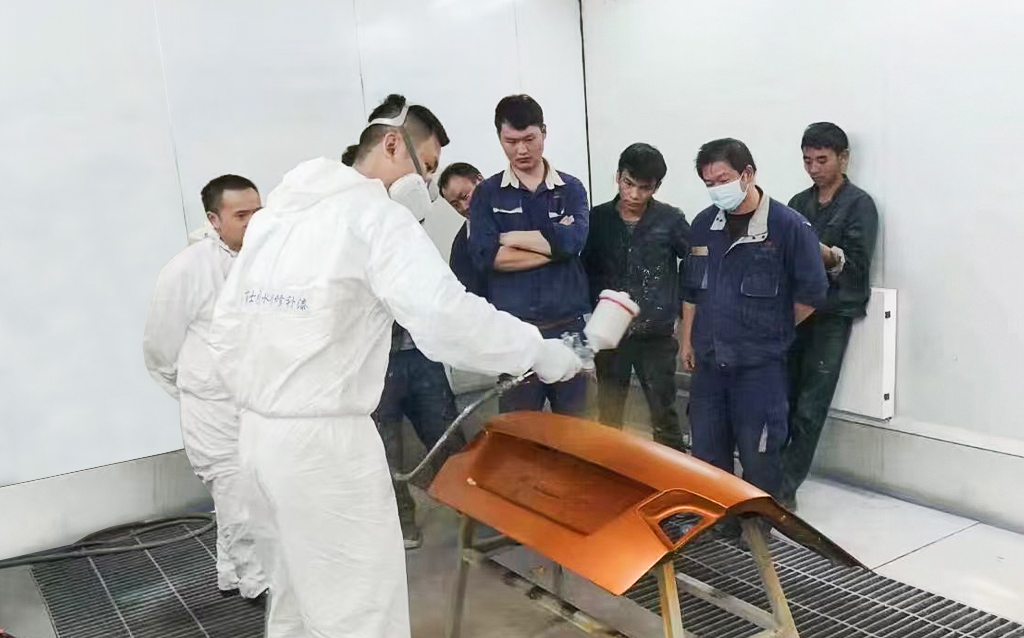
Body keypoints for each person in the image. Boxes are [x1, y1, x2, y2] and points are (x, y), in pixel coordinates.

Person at [208, 94, 582, 638]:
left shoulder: (278, 218)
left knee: (293, 600)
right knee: (358, 613)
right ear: (391, 144)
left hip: (258, 442)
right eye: (426, 166)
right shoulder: (373, 217)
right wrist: (541, 352)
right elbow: (447, 318)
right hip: (326, 449)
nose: (427, 186)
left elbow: (225, 327)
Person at [680, 139, 828, 499]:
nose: (717, 189)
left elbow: (812, 295)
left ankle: (756, 525)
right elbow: (692, 290)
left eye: (723, 180)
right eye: (709, 183)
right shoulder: (703, 225)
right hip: (710, 365)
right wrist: (686, 341)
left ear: (747, 174)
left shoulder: (788, 227)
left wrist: (770, 329)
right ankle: (719, 522)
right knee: (707, 454)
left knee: (759, 455)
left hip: (759, 370)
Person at [143, 175, 266, 600]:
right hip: (211, 407)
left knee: (247, 497)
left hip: (256, 401)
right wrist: (196, 387)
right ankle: (257, 586)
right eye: (242, 215)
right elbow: (159, 348)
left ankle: (231, 573)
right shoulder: (187, 270)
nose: (254, 222)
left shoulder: (268, 258)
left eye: (259, 211)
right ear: (214, 220)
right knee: (237, 497)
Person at [341, 143, 462, 552]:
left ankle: (474, 511)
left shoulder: (402, 219)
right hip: (374, 361)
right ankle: (402, 520)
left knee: (447, 436)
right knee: (385, 450)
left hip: (420, 354)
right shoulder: (342, 231)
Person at [469, 94, 591, 415]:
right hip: (515, 332)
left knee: (581, 426)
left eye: (529, 139)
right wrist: (556, 249)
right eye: (511, 141)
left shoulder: (571, 188)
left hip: (571, 329)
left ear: (544, 133)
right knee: (519, 428)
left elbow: (575, 241)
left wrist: (509, 238)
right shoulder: (487, 194)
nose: (521, 150)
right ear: (499, 137)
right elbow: (487, 257)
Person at [781, 123, 879, 509]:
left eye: (822, 160)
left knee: (812, 403)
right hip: (795, 311)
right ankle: (771, 474)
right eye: (807, 160)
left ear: (843, 158)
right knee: (783, 396)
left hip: (832, 314)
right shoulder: (798, 202)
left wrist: (824, 255)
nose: (814, 168)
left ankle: (786, 487)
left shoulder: (859, 205)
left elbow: (856, 267)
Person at [583, 143, 690, 451]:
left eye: (644, 188)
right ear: (618, 176)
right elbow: (584, 269)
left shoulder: (671, 219)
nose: (634, 195)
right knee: (609, 413)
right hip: (609, 334)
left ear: (656, 187)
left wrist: (680, 313)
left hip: (655, 334)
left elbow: (695, 265)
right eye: (628, 184)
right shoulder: (597, 219)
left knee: (664, 414)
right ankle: (610, 470)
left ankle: (672, 472)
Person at [440, 162, 486, 296]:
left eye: (465, 197)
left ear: (480, 180)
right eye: (455, 205)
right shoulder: (460, 249)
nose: (464, 207)